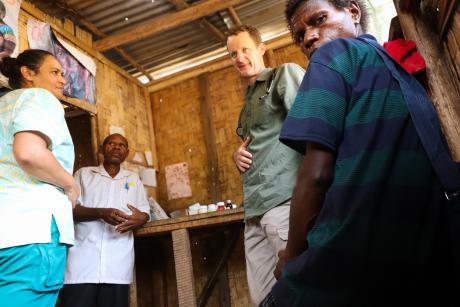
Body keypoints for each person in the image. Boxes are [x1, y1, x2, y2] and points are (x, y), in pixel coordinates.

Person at [262, 0, 450, 306]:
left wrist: (290, 257)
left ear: (353, 11)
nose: (309, 37)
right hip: (419, 265)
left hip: (345, 258)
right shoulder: (402, 70)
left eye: (318, 19)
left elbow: (317, 174)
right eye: (299, 35)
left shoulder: (335, 56)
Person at [226, 25, 305, 306]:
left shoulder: (283, 75)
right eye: (232, 53)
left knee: (300, 286)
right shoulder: (247, 104)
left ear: (261, 49)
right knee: (263, 298)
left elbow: (312, 128)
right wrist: (237, 157)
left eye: (245, 49)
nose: (239, 57)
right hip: (254, 211)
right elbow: (260, 143)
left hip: (283, 202)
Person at [0, 49, 78, 306]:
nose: (62, 80)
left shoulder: (3, 107)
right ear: (28, 74)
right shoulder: (39, 97)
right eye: (54, 72)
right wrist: (70, 184)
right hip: (31, 232)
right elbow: (29, 152)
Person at [60, 133, 150, 307]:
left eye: (122, 145)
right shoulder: (84, 175)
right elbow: (70, 208)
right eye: (111, 143)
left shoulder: (133, 180)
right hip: (82, 261)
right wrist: (101, 213)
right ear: (101, 149)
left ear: (127, 152)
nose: (117, 147)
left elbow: (144, 211)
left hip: (117, 262)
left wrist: (142, 218)